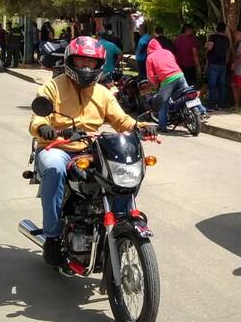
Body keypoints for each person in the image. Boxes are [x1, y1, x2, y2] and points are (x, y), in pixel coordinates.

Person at [29, 36, 156, 266]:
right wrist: (45, 128)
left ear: (99, 65)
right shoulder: (52, 87)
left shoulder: (103, 93)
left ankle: (120, 221)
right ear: (70, 61)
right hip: (58, 147)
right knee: (55, 168)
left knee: (124, 168)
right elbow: (36, 120)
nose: (86, 67)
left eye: (92, 63)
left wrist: (142, 127)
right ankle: (52, 236)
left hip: (90, 149)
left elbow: (122, 121)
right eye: (81, 62)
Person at [145, 39, 189, 132]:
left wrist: (155, 84)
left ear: (149, 48)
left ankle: (162, 126)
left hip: (167, 80)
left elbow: (150, 75)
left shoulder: (150, 57)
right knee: (188, 94)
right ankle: (201, 111)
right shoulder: (167, 52)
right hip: (180, 74)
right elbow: (174, 61)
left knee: (162, 103)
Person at [205, 22, 230, 111]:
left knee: (212, 85)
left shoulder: (213, 37)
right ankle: (221, 104)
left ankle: (211, 105)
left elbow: (210, 47)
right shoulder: (226, 39)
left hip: (213, 63)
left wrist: (206, 50)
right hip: (222, 64)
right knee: (221, 85)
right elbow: (227, 52)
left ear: (217, 29)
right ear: (224, 30)